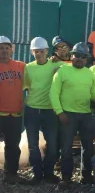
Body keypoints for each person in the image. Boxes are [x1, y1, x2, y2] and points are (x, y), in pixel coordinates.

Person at [50, 42, 95, 187]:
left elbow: (93, 91)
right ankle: (66, 177)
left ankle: (86, 176)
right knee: (66, 147)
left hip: (85, 115)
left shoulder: (89, 73)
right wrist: (60, 112)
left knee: (88, 147)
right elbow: (53, 93)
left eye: (83, 57)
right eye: (77, 55)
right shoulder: (62, 71)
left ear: (87, 59)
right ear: (71, 56)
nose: (80, 59)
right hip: (67, 115)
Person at [23, 37, 63, 184]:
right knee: (33, 145)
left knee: (52, 145)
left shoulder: (57, 64)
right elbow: (25, 86)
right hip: (32, 110)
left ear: (47, 51)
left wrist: (58, 59)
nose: (39, 53)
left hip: (49, 111)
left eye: (41, 51)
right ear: (32, 52)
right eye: (36, 51)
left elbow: (73, 66)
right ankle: (37, 174)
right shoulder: (28, 68)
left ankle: (48, 173)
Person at [0, 36, 26, 184]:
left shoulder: (21, 66)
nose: (3, 50)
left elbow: (38, 68)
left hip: (15, 113)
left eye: (6, 47)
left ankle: (11, 173)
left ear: (11, 49)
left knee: (13, 146)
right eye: (1, 48)